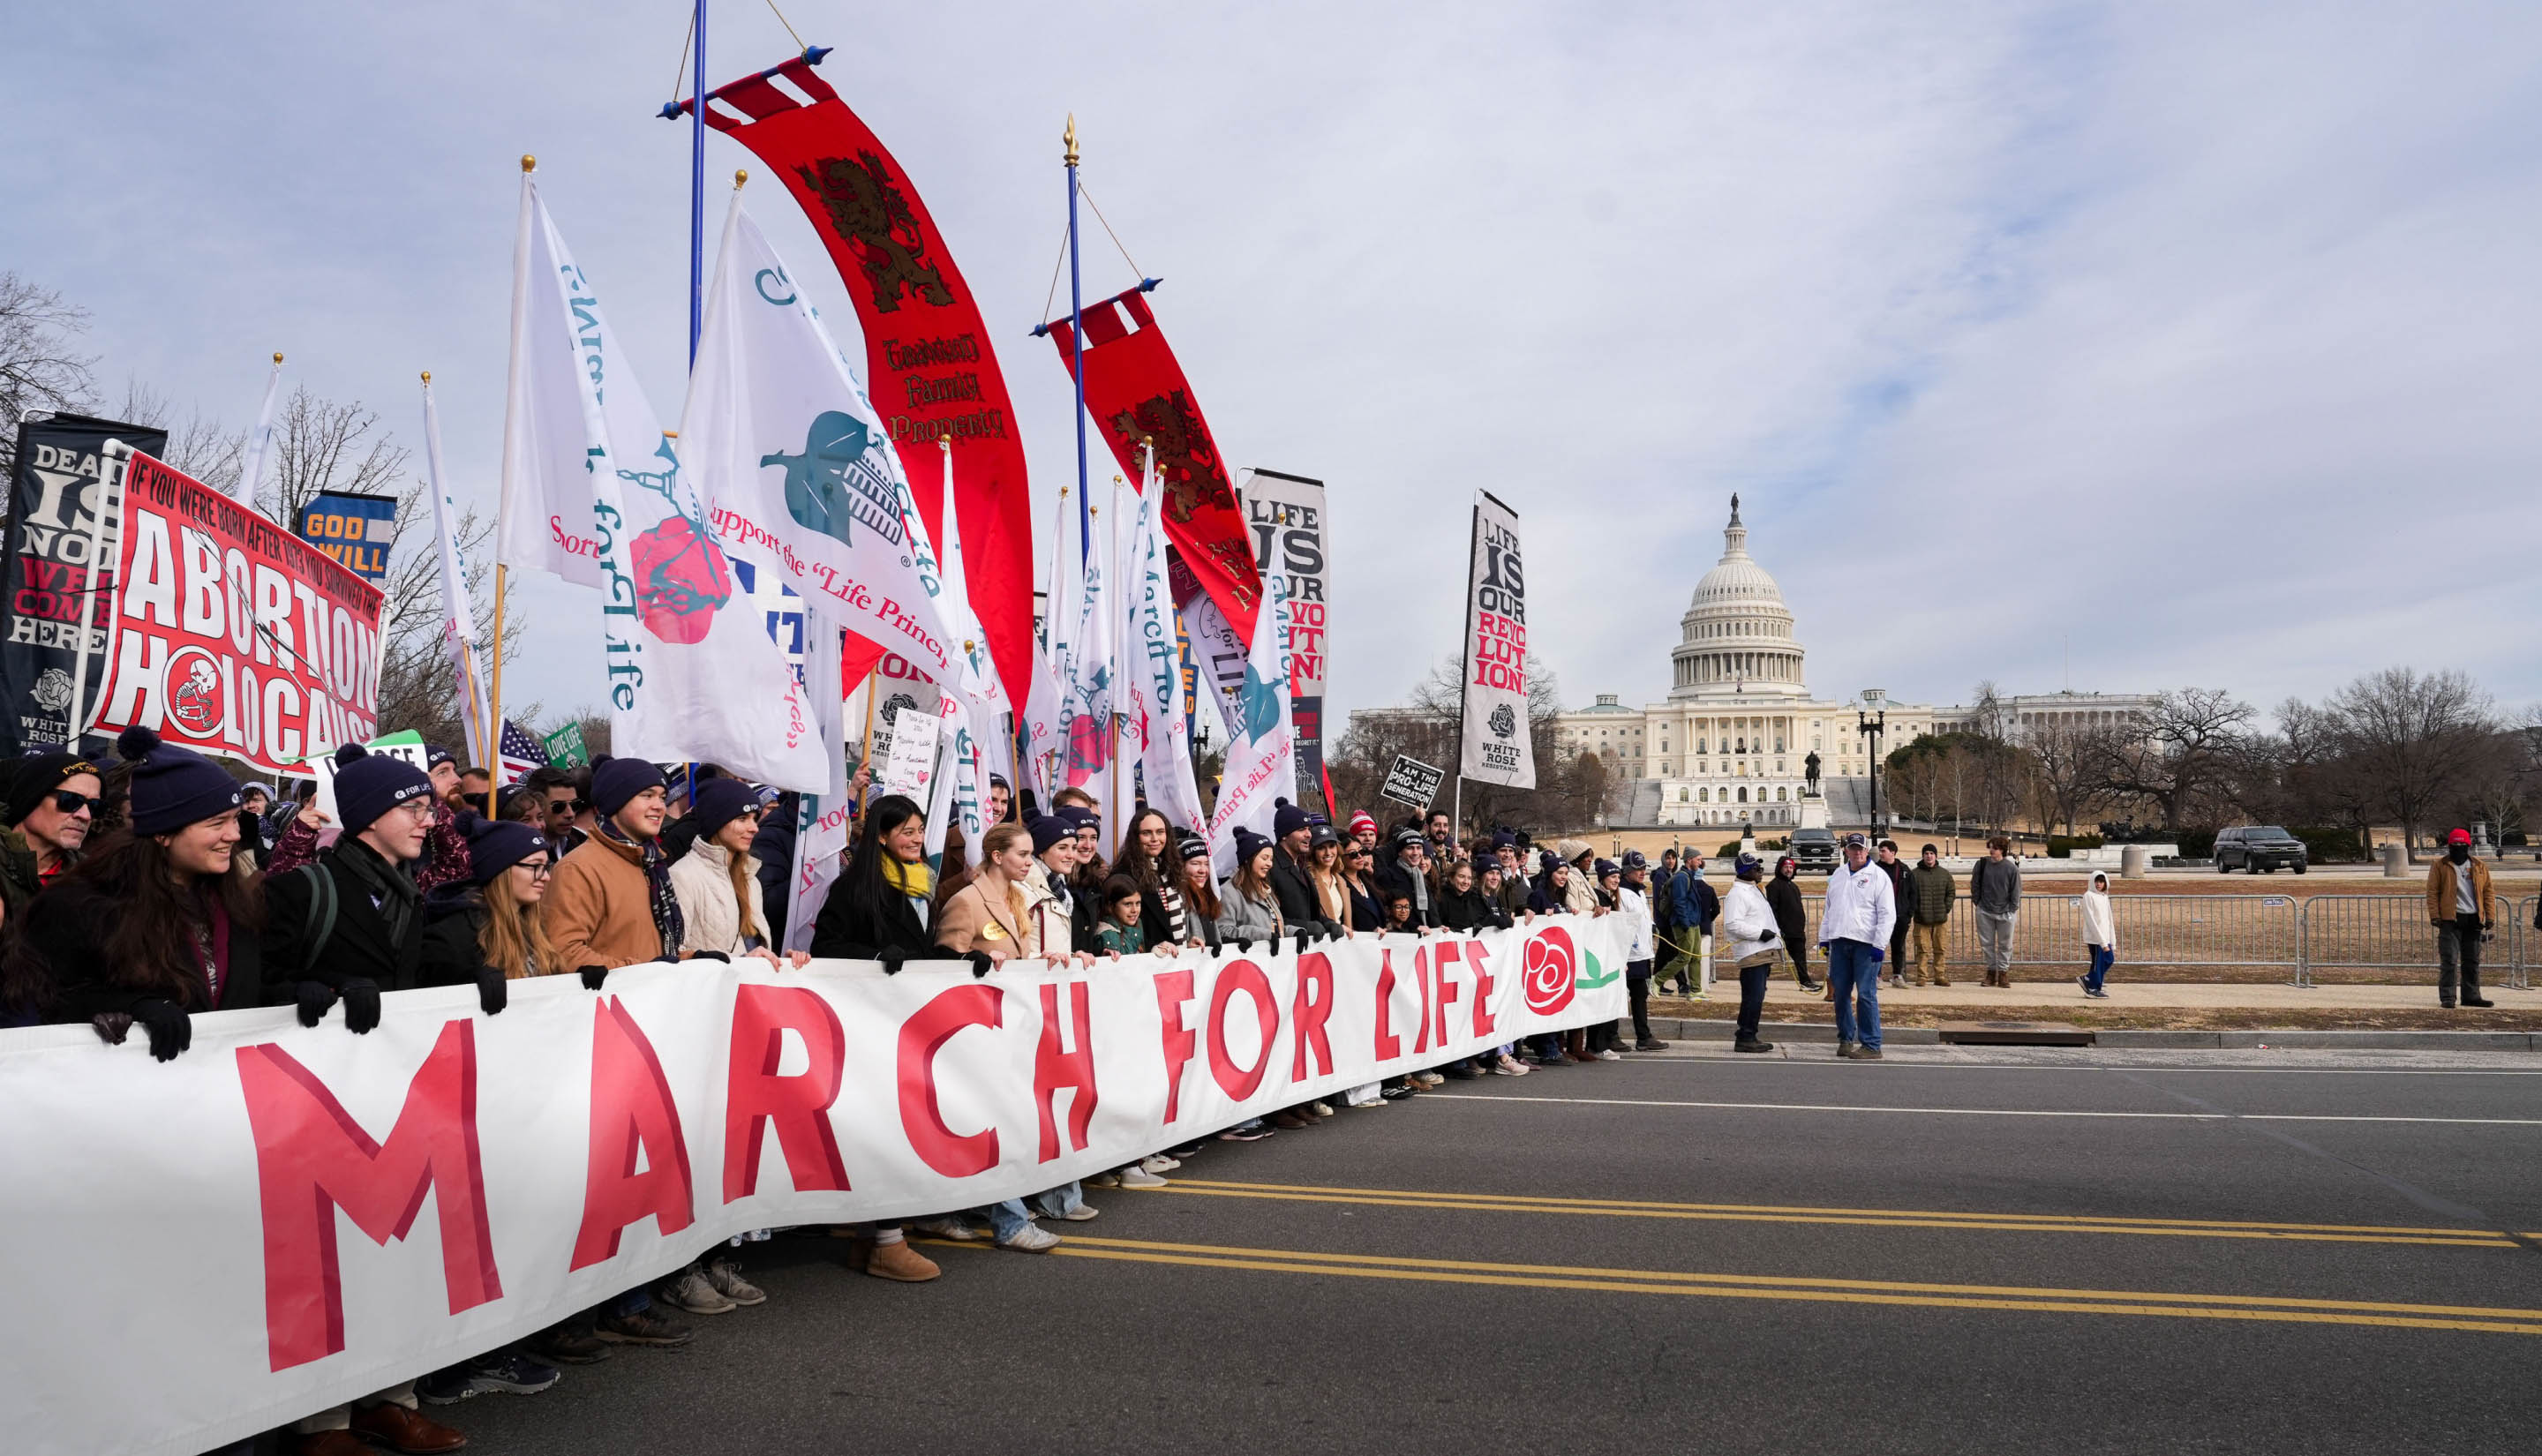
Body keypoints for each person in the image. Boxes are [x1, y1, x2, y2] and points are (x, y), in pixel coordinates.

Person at [263, 742, 488, 1452]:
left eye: (430, 807)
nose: (430, 820)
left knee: (400, 1251)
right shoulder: (301, 890)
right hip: (316, 1107)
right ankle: (322, 1421)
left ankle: (390, 1398)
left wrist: (471, 979)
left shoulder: (409, 891)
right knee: (328, 1262)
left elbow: (411, 984)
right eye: (414, 807)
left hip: (392, 1100)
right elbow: (251, 992)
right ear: (367, 816)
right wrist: (315, 992)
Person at [6, 728, 256, 1056]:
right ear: (164, 833)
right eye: (217, 823)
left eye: (235, 819)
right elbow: (41, 1001)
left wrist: (299, 992)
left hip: (221, 1077)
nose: (234, 834)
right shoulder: (84, 904)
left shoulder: (236, 901)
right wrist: (124, 1005)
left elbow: (252, 987)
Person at [806, 794, 944, 1282]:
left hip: (910, 1020)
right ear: (882, 837)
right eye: (906, 831)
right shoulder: (852, 887)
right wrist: (875, 956)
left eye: (920, 830)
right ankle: (888, 1241)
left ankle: (868, 1238)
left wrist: (958, 958)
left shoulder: (923, 884)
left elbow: (922, 951)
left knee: (900, 1127)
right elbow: (826, 947)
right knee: (889, 1129)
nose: (916, 839)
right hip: (871, 1024)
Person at [668, 777, 805, 968]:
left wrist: (784, 962)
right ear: (716, 821)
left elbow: (750, 948)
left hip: (744, 985)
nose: (754, 828)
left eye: (754, 819)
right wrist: (741, 961)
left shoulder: (751, 879)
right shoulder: (682, 876)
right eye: (742, 819)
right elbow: (674, 956)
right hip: (710, 986)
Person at [0, 750, 102, 929]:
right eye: (70, 800)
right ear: (31, 798)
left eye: (95, 806)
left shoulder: (94, 878)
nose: (85, 815)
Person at [1818, 833, 1896, 1060]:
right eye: (1853, 848)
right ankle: (1846, 1038)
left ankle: (1871, 1044)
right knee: (1840, 994)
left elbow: (1887, 914)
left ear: (1866, 850)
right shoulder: (1838, 875)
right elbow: (1829, 910)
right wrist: (1824, 938)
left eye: (1861, 848)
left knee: (1865, 994)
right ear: (1846, 851)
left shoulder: (1879, 877)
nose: (1857, 852)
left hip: (1866, 944)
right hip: (1840, 941)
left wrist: (1880, 944)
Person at [1718, 852, 1781, 1053]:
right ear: (1745, 871)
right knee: (1753, 997)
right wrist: (1760, 933)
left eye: (1760, 868)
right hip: (1752, 952)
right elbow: (1732, 924)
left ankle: (1749, 1034)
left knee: (1757, 996)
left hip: (1762, 951)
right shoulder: (1737, 894)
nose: (1761, 871)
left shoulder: (1754, 889)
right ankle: (1746, 1036)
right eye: (1756, 869)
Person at [2426, 828, 2494, 1009]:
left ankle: (2471, 996)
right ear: (2449, 846)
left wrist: (2490, 916)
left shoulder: (2479, 866)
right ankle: (2448, 997)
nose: (2458, 847)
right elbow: (2432, 892)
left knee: (2472, 961)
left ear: (2468, 845)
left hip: (2473, 919)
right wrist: (2435, 916)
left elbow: (2488, 892)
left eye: (2462, 844)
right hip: (2450, 920)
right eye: (2454, 844)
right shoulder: (2440, 865)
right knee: (2449, 960)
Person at [1616, 850, 1668, 1051]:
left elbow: (1643, 917)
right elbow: (1622, 924)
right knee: (1621, 995)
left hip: (1643, 953)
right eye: (1637, 868)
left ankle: (1643, 1036)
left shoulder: (1639, 891)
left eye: (1644, 868)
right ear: (1627, 870)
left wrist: (1652, 926)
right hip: (1630, 955)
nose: (1642, 872)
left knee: (1640, 995)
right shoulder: (1621, 892)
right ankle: (1612, 1035)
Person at [1215, 830, 1285, 947]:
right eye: (1265, 858)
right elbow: (1223, 931)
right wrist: (1263, 935)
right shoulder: (1228, 891)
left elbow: (1275, 928)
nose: (1270, 864)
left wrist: (1295, 931)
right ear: (1248, 858)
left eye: (1271, 859)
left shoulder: (1265, 889)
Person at [1662, 852, 1718, 995]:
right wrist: (1687, 923)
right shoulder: (1683, 877)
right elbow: (1679, 902)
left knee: (1695, 958)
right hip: (1688, 925)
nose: (1700, 862)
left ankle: (1695, 989)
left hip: (1694, 924)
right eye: (1698, 860)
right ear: (1689, 860)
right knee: (1685, 957)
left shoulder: (1689, 877)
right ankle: (1657, 980)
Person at [1970, 836, 2022, 987]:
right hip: (1985, 910)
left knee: (2005, 944)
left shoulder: (2011, 868)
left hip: (2005, 912)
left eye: (1996, 848)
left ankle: (2003, 973)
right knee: (1987, 944)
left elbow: (2016, 890)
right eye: (1991, 847)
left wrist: (2012, 909)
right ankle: (1991, 972)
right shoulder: (1982, 864)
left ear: (2003, 850)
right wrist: (1978, 902)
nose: (1992, 850)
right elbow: (1975, 884)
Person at [1904, 844, 1956, 987]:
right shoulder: (1914, 874)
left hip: (1940, 919)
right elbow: (1909, 894)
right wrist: (1915, 910)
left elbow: (1951, 892)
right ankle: (1922, 977)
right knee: (1922, 950)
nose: (1929, 856)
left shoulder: (1944, 874)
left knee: (1940, 949)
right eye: (1926, 853)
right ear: (1923, 856)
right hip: (1921, 920)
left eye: (1931, 853)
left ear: (1936, 856)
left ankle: (1940, 976)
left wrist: (1946, 907)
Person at [1766, 855, 1817, 992]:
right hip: (1782, 931)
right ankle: (1760, 982)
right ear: (1780, 868)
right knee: (1769, 958)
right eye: (1786, 867)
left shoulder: (1794, 887)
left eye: (1791, 867)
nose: (1789, 870)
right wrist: (1777, 928)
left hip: (1796, 931)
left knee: (1800, 958)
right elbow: (1772, 910)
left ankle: (1805, 982)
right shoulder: (1773, 886)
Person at [1874, 840, 1912, 988]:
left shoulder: (1904, 870)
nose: (1880, 854)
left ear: (1893, 852)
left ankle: (1897, 975)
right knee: (1878, 945)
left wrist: (1908, 913)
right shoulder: (1875, 870)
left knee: (1898, 947)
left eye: (1883, 851)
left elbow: (1913, 892)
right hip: (1880, 916)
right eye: (1880, 851)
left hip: (1900, 916)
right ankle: (1877, 976)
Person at [2079, 870, 2116, 999]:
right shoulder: (2088, 896)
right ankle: (2093, 988)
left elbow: (2109, 919)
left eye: (2101, 882)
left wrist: (2112, 941)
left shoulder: (2104, 897)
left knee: (2109, 960)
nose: (2099, 884)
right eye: (2096, 881)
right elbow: (2091, 920)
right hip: (2095, 938)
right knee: (2098, 963)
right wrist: (2102, 942)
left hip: (2105, 937)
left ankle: (2089, 979)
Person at [1094, 875, 1149, 956]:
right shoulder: (1107, 935)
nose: (1134, 910)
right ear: (1110, 906)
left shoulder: (1136, 926)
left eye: (1138, 903)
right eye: (1127, 904)